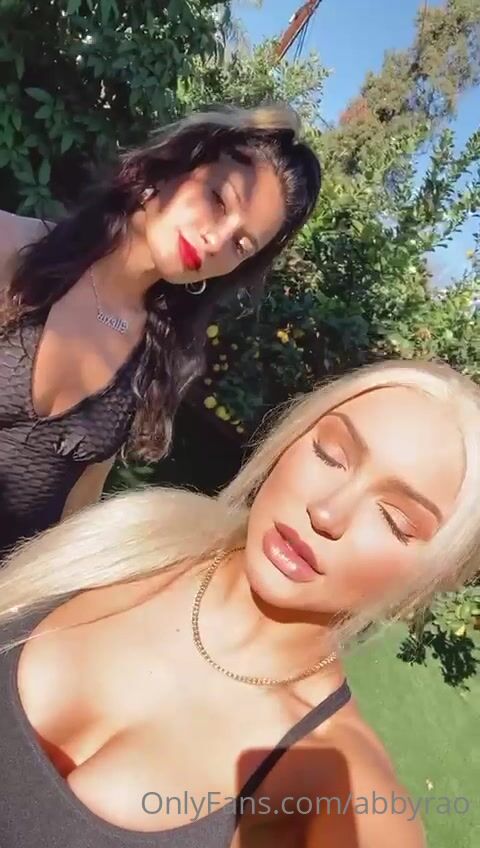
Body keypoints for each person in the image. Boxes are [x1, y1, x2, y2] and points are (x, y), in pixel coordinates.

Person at [0, 360, 478, 848]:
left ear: (433, 577)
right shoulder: (134, 536)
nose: (327, 511)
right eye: (331, 454)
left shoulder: (341, 799)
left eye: (395, 519)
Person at [0, 103, 321, 557]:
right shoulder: (11, 251)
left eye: (240, 244)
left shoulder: (153, 359)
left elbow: (77, 506)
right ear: (177, 165)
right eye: (219, 199)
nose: (216, 240)